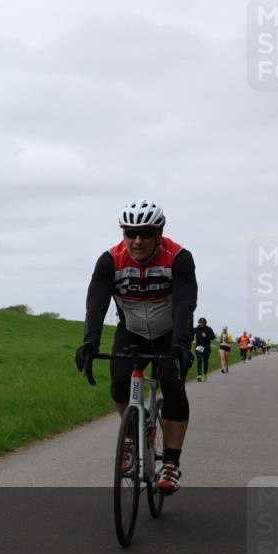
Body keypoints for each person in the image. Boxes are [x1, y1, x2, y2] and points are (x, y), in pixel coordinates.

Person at [76, 200, 197, 495]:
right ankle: (132, 433)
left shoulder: (178, 258)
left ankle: (170, 462)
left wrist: (181, 344)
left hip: (169, 331)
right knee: (118, 381)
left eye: (145, 233)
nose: (137, 240)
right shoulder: (110, 261)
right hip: (131, 330)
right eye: (130, 233)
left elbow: (184, 304)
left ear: (159, 232)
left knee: (172, 383)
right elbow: (96, 303)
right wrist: (90, 342)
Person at [192, 317, 216, 381]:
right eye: (200, 323)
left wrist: (206, 336)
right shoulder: (196, 329)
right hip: (198, 347)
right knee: (199, 360)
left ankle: (204, 374)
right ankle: (199, 375)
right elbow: (190, 333)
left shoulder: (208, 329)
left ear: (205, 323)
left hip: (206, 347)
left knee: (205, 361)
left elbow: (213, 337)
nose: (201, 324)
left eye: (203, 323)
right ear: (199, 323)